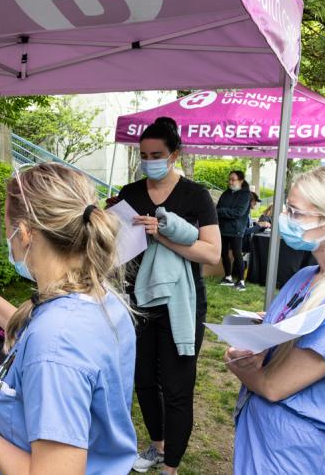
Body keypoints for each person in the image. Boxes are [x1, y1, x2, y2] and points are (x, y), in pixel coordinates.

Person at [0, 163, 137, 475]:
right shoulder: (97, 297)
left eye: (8, 229)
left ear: (24, 233)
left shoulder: (56, 343)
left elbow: (51, 350)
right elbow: (37, 333)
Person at [226, 163, 325, 474]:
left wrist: (237, 363)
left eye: (295, 212)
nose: (283, 219)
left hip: (300, 453)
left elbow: (274, 385)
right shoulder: (308, 275)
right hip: (268, 437)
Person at [113, 117, 221, 475]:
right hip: (137, 301)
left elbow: (211, 254)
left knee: (177, 386)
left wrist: (161, 235)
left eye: (157, 154)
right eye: (143, 155)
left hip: (181, 306)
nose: (149, 160)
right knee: (143, 379)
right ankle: (157, 446)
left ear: (175, 154)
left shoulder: (196, 195)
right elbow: (118, 248)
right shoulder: (131, 193)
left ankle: (171, 465)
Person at [217, 170, 252, 291]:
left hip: (236, 229)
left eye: (233, 179)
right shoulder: (226, 193)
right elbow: (217, 208)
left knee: (237, 254)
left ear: (241, 181)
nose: (230, 182)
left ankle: (241, 281)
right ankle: (228, 277)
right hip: (223, 228)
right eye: (229, 179)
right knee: (223, 253)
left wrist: (222, 211)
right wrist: (224, 211)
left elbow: (238, 213)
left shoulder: (245, 195)